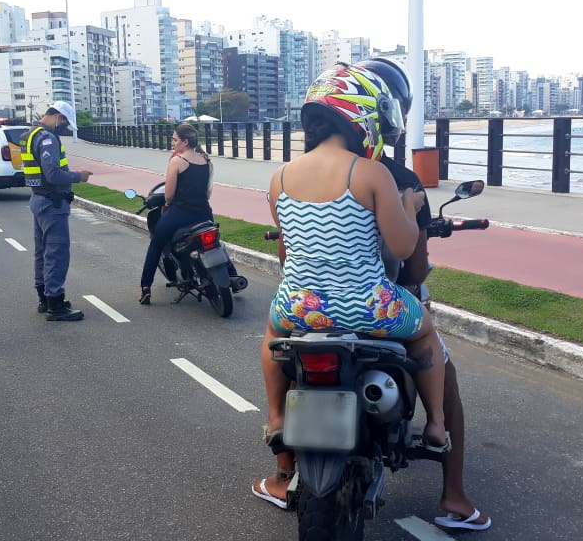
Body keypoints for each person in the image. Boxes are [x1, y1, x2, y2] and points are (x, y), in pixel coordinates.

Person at [251, 62, 451, 510]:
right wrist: (408, 204)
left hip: (300, 307)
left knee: (270, 335)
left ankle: (277, 416)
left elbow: (287, 258)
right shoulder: (370, 173)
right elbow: (401, 248)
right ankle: (437, 423)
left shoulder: (279, 178)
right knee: (426, 331)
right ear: (361, 115)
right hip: (368, 307)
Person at [356, 57, 491, 531]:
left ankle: (283, 467)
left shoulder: (310, 173)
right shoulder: (401, 180)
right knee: (446, 380)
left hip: (320, 308)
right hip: (385, 306)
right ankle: (453, 494)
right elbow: (413, 264)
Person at [138, 123, 243, 304]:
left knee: (156, 244)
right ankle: (233, 277)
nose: (172, 143)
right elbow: (208, 193)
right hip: (203, 213)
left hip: (179, 214)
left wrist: (168, 204)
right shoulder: (207, 161)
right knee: (216, 243)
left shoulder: (177, 161)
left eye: (175, 140)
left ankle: (146, 287)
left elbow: (169, 195)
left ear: (185, 142)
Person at [21, 101, 92, 321]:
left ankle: (44, 297)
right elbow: (52, 174)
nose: (63, 128)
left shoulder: (30, 134)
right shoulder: (47, 138)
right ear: (58, 116)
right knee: (56, 253)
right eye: (64, 123)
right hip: (52, 203)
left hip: (39, 198)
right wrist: (77, 176)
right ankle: (56, 304)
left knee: (42, 252)